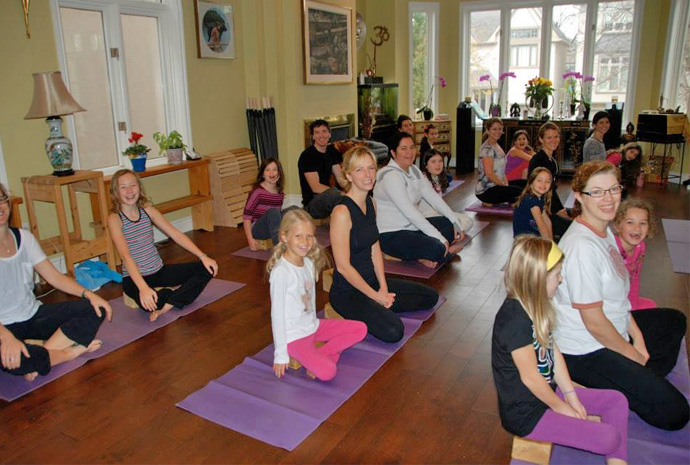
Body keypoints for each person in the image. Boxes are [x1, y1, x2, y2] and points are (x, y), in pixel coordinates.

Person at [553, 161, 689, 431]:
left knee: (674, 320)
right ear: (579, 196)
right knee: (676, 414)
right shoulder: (582, 247)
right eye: (598, 192)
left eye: (613, 189)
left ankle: (636, 383)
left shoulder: (603, 232)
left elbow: (618, 301)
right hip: (585, 351)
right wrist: (633, 354)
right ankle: (605, 386)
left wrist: (637, 336)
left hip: (611, 329)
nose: (608, 198)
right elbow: (594, 323)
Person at [493, 236, 629, 465]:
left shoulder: (538, 305)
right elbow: (531, 378)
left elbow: (552, 351)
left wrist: (571, 395)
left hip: (548, 393)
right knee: (609, 438)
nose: (561, 279)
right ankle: (615, 453)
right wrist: (561, 408)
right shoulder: (514, 321)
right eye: (557, 275)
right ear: (538, 280)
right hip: (527, 415)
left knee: (616, 400)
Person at [0, 183, 111, 381]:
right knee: (13, 360)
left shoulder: (24, 238)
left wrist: (90, 295)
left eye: (1, 200)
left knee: (96, 308)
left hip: (33, 315)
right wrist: (6, 338)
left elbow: (55, 277)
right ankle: (69, 353)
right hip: (3, 326)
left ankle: (43, 354)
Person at [330, 147, 440, 342]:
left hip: (372, 283)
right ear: (348, 175)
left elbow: (375, 248)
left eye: (371, 168)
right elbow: (343, 267)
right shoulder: (341, 212)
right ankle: (378, 306)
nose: (367, 175)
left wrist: (382, 287)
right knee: (394, 331)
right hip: (348, 292)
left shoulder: (371, 204)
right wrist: (376, 296)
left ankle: (380, 304)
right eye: (360, 170)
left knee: (430, 297)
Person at [267, 209, 367, 380]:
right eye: (298, 236)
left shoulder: (308, 263)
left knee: (361, 328)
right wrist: (280, 354)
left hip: (313, 326)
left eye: (309, 236)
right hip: (295, 337)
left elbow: (309, 304)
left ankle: (322, 353)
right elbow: (277, 315)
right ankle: (321, 357)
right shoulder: (281, 272)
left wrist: (322, 349)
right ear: (284, 237)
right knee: (328, 372)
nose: (305, 242)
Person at [107, 170, 218, 322]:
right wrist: (143, 288)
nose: (129, 191)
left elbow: (175, 234)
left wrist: (203, 256)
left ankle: (168, 304)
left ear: (139, 187)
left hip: (158, 271)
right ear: (115, 192)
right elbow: (126, 256)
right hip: (134, 279)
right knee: (151, 305)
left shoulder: (148, 211)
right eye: (123, 187)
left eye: (133, 185)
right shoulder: (115, 219)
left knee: (208, 268)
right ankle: (171, 297)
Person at [374, 131, 465, 268]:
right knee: (437, 247)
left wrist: (455, 221)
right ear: (393, 153)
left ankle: (424, 256)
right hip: (391, 234)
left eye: (412, 147)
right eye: (403, 149)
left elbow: (434, 198)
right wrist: (440, 238)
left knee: (449, 225)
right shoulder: (390, 176)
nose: (409, 152)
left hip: (412, 228)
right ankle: (438, 253)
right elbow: (410, 212)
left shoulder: (414, 170)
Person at [528, 122, 572, 240]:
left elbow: (551, 189)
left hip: (548, 205)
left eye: (556, 136)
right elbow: (544, 191)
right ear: (541, 139)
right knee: (574, 227)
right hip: (538, 210)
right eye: (549, 137)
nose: (554, 140)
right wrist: (558, 210)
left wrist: (560, 209)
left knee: (576, 215)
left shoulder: (551, 160)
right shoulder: (539, 161)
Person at [614, 199, 657, 311]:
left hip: (624, 297)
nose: (637, 228)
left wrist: (632, 305)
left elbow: (634, 278)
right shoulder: (613, 250)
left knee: (651, 305)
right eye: (630, 222)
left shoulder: (640, 247)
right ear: (618, 226)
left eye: (642, 223)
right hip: (609, 301)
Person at [298, 119, 346, 219]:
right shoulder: (307, 156)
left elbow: (340, 177)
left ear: (329, 134)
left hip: (329, 197)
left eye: (324, 131)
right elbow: (315, 187)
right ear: (313, 136)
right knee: (334, 193)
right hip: (313, 205)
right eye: (317, 132)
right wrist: (341, 194)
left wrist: (353, 189)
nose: (321, 135)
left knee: (357, 189)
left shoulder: (331, 151)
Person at [243, 158, 295, 250]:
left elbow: (277, 218)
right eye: (267, 170)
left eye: (275, 169)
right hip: (257, 229)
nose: (271, 173)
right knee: (274, 212)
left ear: (279, 172)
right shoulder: (257, 192)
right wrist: (250, 240)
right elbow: (246, 217)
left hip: (271, 224)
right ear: (263, 174)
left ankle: (293, 242)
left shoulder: (280, 193)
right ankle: (279, 250)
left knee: (293, 209)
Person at [420, 149, 474, 233]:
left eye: (440, 161)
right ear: (426, 165)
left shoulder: (437, 178)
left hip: (438, 214)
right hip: (427, 218)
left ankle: (449, 234)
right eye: (433, 161)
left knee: (468, 221)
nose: (438, 164)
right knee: (457, 224)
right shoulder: (423, 180)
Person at [475, 118, 523, 205]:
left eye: (499, 129)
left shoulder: (497, 145)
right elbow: (489, 174)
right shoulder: (487, 148)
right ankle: (488, 201)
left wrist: (507, 185)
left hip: (498, 184)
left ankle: (513, 200)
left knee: (525, 184)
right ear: (487, 130)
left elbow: (502, 169)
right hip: (486, 190)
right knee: (521, 192)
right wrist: (504, 187)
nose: (497, 131)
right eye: (494, 129)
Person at [513, 168, 553, 239]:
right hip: (525, 241)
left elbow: (547, 221)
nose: (543, 184)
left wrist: (551, 240)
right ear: (531, 183)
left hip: (533, 236)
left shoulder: (540, 197)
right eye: (539, 180)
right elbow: (541, 225)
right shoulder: (530, 200)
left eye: (547, 181)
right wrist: (549, 245)